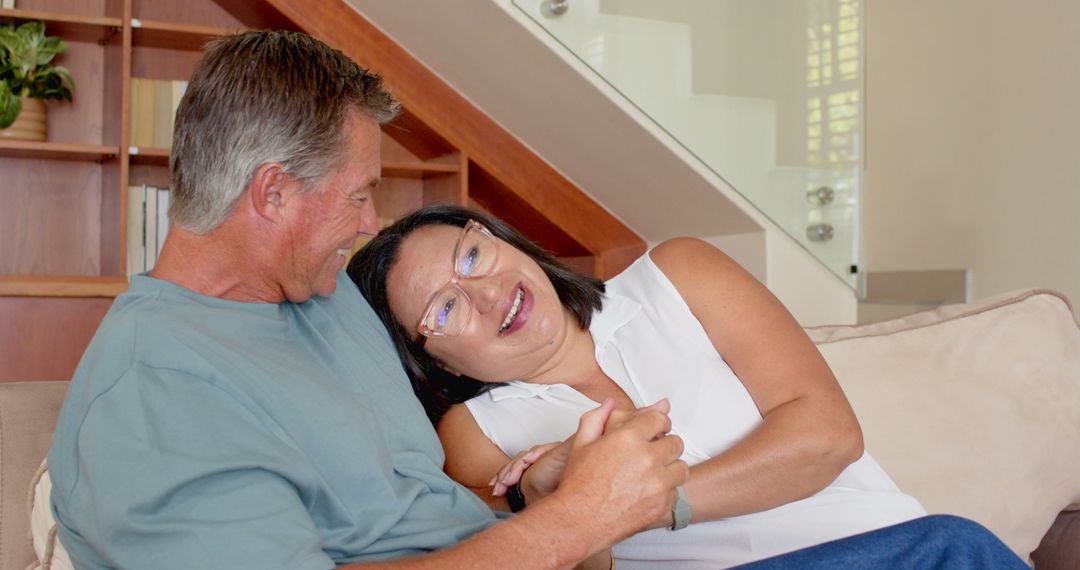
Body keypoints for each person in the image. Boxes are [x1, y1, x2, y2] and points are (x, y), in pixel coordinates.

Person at [45, 30, 689, 570]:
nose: (368, 224)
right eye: (357, 195)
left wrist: (527, 499)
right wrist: (574, 523)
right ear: (273, 194)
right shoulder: (152, 393)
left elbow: (405, 516)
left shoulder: (324, 297)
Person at [346, 204, 998, 568]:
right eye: (445, 309)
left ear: (498, 239)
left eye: (471, 255)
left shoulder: (676, 273)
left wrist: (637, 500)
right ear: (439, 364)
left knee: (956, 545)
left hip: (901, 550)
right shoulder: (476, 436)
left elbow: (828, 436)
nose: (485, 293)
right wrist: (560, 505)